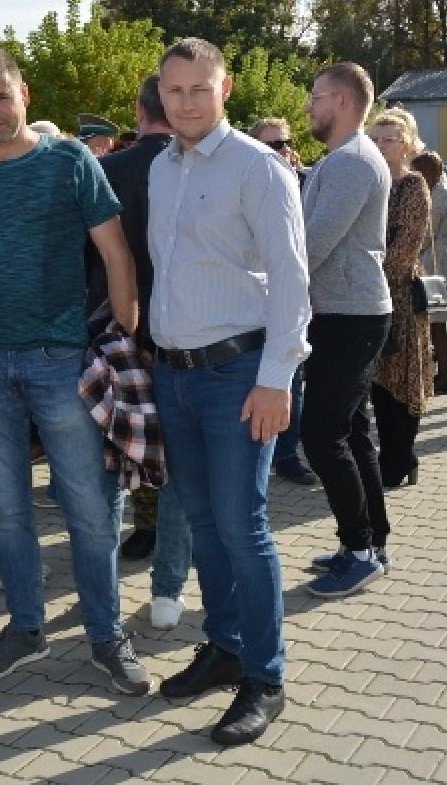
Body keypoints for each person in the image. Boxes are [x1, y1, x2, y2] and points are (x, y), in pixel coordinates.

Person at [0, 47, 150, 695]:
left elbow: (115, 251)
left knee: (90, 510)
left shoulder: (69, 160)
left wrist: (129, 333)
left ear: (23, 93)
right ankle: (26, 627)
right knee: (7, 512)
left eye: (0, 97)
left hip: (61, 361)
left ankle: (106, 634)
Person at [147, 40, 311, 746]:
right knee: (202, 521)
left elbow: (294, 283)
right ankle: (224, 647)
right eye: (173, 90)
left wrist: (277, 378)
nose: (185, 102)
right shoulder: (161, 167)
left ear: (227, 87)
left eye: (198, 89)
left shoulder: (259, 168)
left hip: (238, 377)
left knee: (243, 526)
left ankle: (265, 678)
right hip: (174, 373)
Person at [86, 74, 189, 628]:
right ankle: (168, 590)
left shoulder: (105, 171)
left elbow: (83, 265)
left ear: (136, 108)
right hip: (180, 337)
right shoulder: (190, 168)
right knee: (178, 474)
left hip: (114, 338)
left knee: (110, 467)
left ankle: (101, 591)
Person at [299, 63, 394, 600]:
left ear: (339, 101)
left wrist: (268, 287)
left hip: (351, 316)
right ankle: (368, 541)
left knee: (323, 435)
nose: (310, 106)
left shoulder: (354, 162)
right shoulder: (341, 160)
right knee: (353, 433)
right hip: (342, 312)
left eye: (315, 97)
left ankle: (359, 552)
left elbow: (313, 244)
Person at [366, 111, 433, 490]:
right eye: (376, 138)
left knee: (404, 378)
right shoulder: (371, 181)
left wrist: (368, 275)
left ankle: (400, 457)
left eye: (389, 139)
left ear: (407, 143)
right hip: (370, 294)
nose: (380, 145)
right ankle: (389, 455)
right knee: (379, 380)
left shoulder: (413, 185)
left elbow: (406, 247)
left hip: (401, 295)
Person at [247, 118, 311, 484]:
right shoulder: (250, 181)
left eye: (285, 143)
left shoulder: (303, 182)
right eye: (272, 145)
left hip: (292, 300)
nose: (282, 150)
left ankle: (288, 454)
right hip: (255, 303)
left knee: (293, 379)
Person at [412, 151, 447, 395]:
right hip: (434, 259)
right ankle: (436, 374)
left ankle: (443, 376)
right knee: (433, 322)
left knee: (437, 323)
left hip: (437, 263)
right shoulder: (438, 190)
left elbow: (424, 232)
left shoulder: (441, 195)